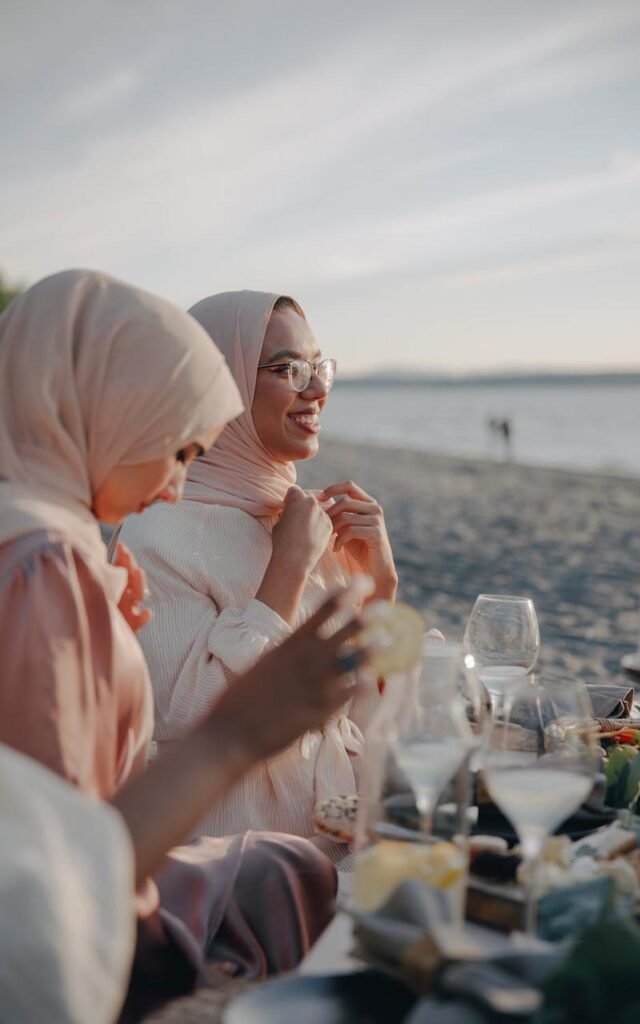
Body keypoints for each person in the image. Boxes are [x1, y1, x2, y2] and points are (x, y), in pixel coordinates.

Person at [0, 270, 365, 1020]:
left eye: (316, 366)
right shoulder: (46, 560)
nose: (175, 483)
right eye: (174, 445)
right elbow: (53, 864)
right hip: (86, 931)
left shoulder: (55, 544)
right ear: (104, 407)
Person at [0, 595, 371, 1024]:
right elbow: (45, 908)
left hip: (104, 876)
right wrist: (227, 739)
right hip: (88, 916)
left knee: (286, 866)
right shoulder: (44, 566)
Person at [119, 290, 398, 849]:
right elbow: (189, 725)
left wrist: (381, 594)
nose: (316, 388)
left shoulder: (305, 519)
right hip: (234, 874)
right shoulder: (159, 535)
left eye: (318, 366)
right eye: (288, 369)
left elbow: (364, 725)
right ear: (221, 388)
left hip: (340, 850)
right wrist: (287, 569)